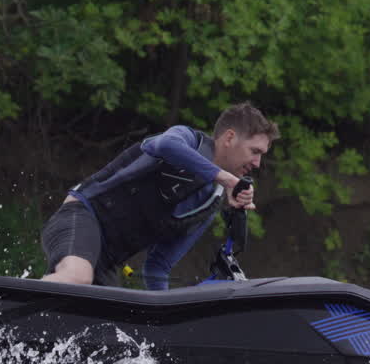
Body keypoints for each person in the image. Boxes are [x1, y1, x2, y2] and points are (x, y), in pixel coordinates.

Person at [41, 103, 279, 289]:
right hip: (81, 216)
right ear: (229, 138)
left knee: (110, 332)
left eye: (262, 155)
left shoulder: (209, 203)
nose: (258, 163)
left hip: (107, 262)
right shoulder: (186, 138)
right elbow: (166, 145)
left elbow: (158, 267)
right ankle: (5, 307)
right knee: (77, 276)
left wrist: (162, 327)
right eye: (255, 151)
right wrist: (226, 179)